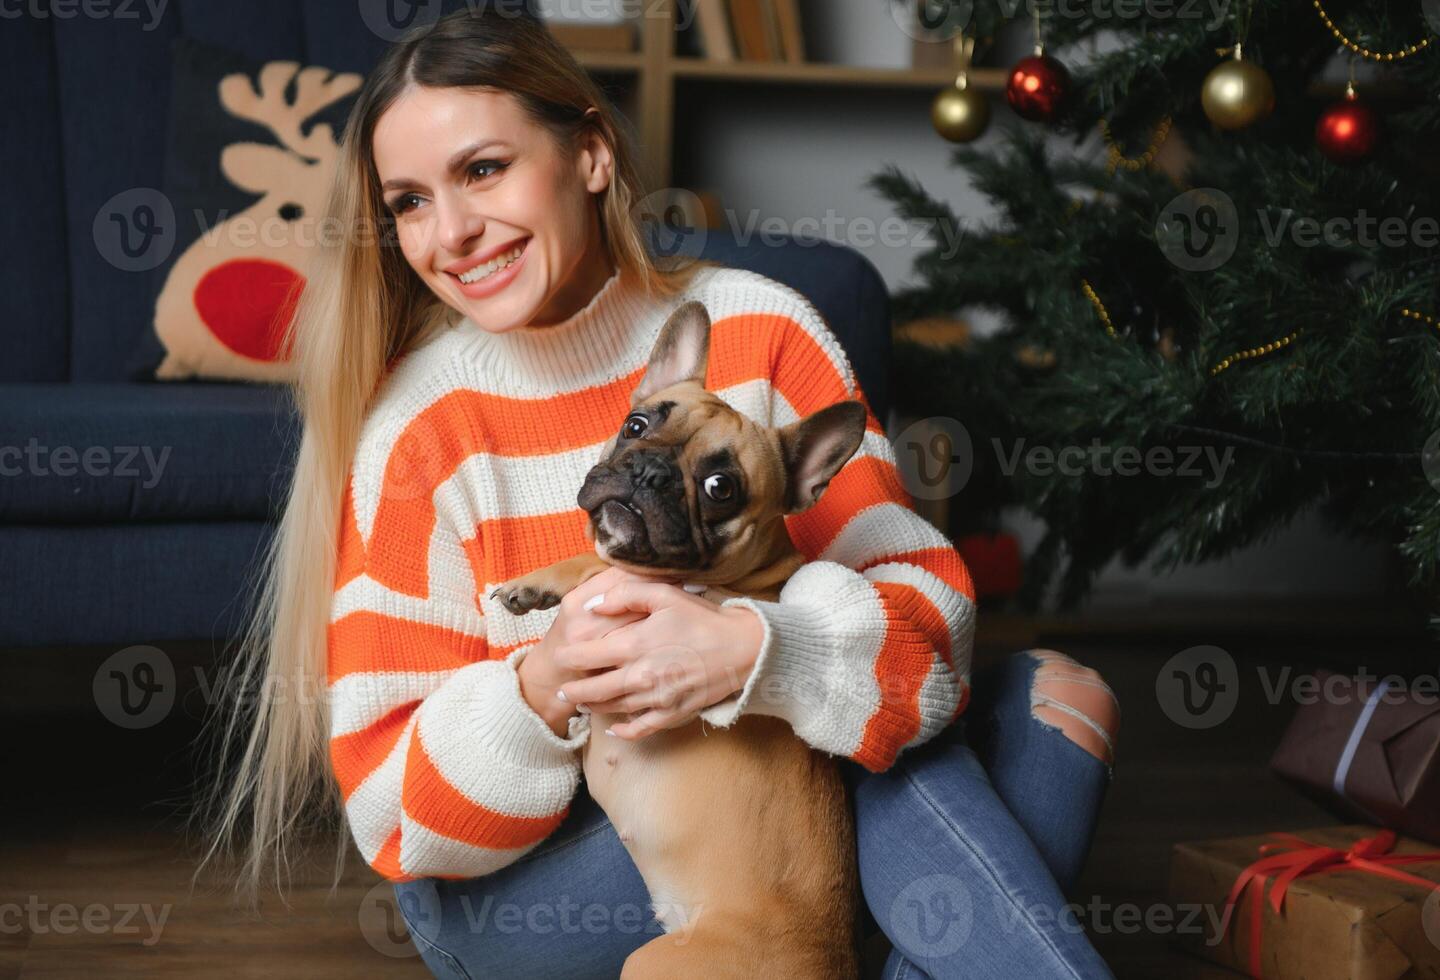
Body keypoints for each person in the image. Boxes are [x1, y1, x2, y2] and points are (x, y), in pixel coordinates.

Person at [196, 8, 1121, 979]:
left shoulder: (760, 326)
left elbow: (926, 630)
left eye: (482, 169)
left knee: (1030, 699)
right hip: (526, 881)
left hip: (768, 825)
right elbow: (393, 812)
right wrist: (543, 687)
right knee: (919, 749)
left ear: (592, 153)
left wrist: (755, 652)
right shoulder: (419, 424)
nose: (453, 231)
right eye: (410, 202)